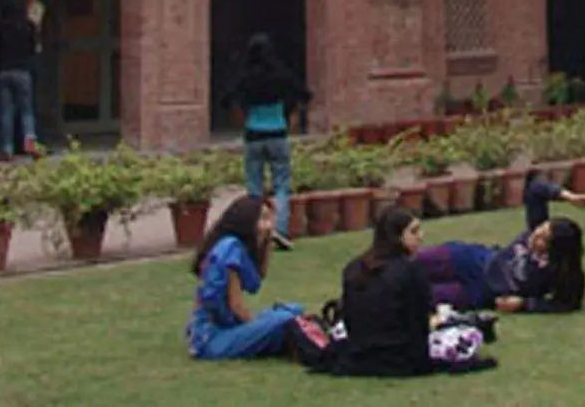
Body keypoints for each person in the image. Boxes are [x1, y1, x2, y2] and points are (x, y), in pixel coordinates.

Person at [413, 175, 585, 313]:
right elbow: (535, 189)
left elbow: (567, 304)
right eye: (541, 229)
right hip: (473, 260)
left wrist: (524, 304)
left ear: (554, 250)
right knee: (411, 264)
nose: (535, 235)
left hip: (479, 292)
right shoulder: (535, 228)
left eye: (543, 239)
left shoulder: (556, 271)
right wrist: (568, 196)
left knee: (416, 297)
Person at [184, 195, 305, 361]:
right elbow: (237, 306)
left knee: (294, 309)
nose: (270, 225)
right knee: (286, 319)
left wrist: (267, 243)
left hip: (226, 328)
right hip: (213, 338)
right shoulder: (229, 249)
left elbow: (257, 280)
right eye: (263, 218)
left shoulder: (237, 247)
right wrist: (257, 328)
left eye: (270, 219)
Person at [333, 206, 435, 377]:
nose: (421, 237)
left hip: (358, 356)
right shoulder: (410, 270)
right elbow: (418, 321)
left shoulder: (353, 268)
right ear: (396, 236)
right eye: (414, 231)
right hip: (400, 359)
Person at [230, 33, 310, 249]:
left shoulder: (245, 77)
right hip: (277, 133)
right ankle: (279, 229)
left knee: (254, 186)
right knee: (281, 184)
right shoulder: (281, 75)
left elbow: (228, 100)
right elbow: (304, 95)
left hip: (253, 134)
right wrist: (291, 116)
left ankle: (257, 229)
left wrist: (243, 117)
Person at [0, 0, 43, 161]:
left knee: (6, 112)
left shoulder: (0, 27)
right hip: (23, 71)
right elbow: (33, 48)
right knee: (26, 111)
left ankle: (7, 148)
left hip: (4, 71)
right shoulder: (28, 27)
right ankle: (30, 145)